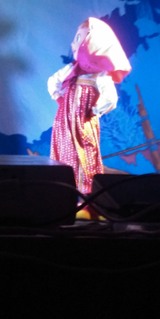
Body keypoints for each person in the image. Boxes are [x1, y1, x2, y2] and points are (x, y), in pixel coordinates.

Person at [48, 17, 131, 197]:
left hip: (83, 122)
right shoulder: (72, 69)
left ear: (93, 43)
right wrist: (60, 99)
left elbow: (110, 98)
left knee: (85, 153)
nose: (73, 44)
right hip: (65, 121)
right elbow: (53, 81)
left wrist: (94, 110)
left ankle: (86, 195)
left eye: (79, 38)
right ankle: (63, 192)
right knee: (64, 151)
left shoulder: (100, 75)